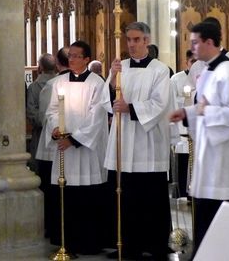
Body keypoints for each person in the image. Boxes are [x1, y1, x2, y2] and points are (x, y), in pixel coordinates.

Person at [170, 21, 229, 256]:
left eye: (195, 42)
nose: (192, 48)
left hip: (227, 165)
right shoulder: (209, 71)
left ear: (209, 42)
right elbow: (207, 106)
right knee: (208, 218)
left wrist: (202, 112)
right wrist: (188, 113)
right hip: (212, 161)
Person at [102, 22, 175, 260]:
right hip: (123, 141)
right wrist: (112, 80)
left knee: (150, 196)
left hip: (147, 143)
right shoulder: (119, 67)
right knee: (125, 195)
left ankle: (155, 245)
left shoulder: (160, 70)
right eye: (129, 40)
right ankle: (126, 244)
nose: (131, 44)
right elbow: (106, 101)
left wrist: (130, 108)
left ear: (146, 41)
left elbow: (159, 104)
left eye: (136, 40)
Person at [45, 40, 109, 255]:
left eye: (76, 56)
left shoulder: (97, 83)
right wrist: (56, 128)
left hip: (86, 150)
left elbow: (97, 116)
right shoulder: (59, 82)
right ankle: (67, 241)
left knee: (87, 196)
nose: (71, 59)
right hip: (64, 148)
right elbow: (52, 110)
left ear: (86, 59)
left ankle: (89, 242)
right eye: (69, 55)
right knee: (67, 195)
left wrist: (73, 140)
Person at [37, 47, 69, 239]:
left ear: (58, 63)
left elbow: (43, 116)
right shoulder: (56, 84)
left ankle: (55, 230)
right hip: (63, 141)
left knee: (54, 193)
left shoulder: (52, 85)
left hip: (54, 146)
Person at [170, 49, 197, 198]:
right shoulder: (176, 79)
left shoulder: (202, 77)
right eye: (192, 61)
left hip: (196, 125)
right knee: (183, 158)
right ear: (186, 62)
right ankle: (182, 190)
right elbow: (171, 101)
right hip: (181, 124)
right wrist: (184, 101)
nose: (195, 65)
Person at [25, 53, 56, 172]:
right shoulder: (61, 82)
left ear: (40, 67)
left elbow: (31, 112)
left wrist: (46, 122)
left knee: (42, 171)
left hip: (41, 134)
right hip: (59, 133)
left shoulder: (34, 87)